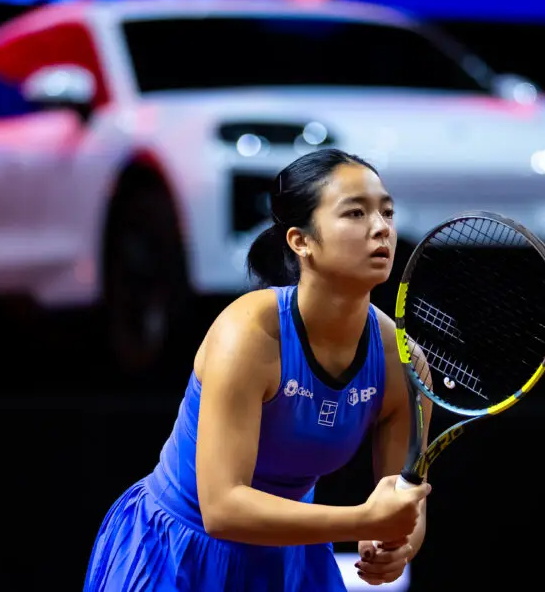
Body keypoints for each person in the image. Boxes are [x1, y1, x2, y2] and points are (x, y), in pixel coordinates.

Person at [84, 148, 432, 591]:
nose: (381, 228)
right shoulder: (248, 333)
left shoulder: (403, 365)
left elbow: (405, 503)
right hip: (178, 552)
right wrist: (361, 519)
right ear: (300, 241)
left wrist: (399, 544)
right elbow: (222, 508)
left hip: (292, 562)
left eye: (387, 212)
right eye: (355, 213)